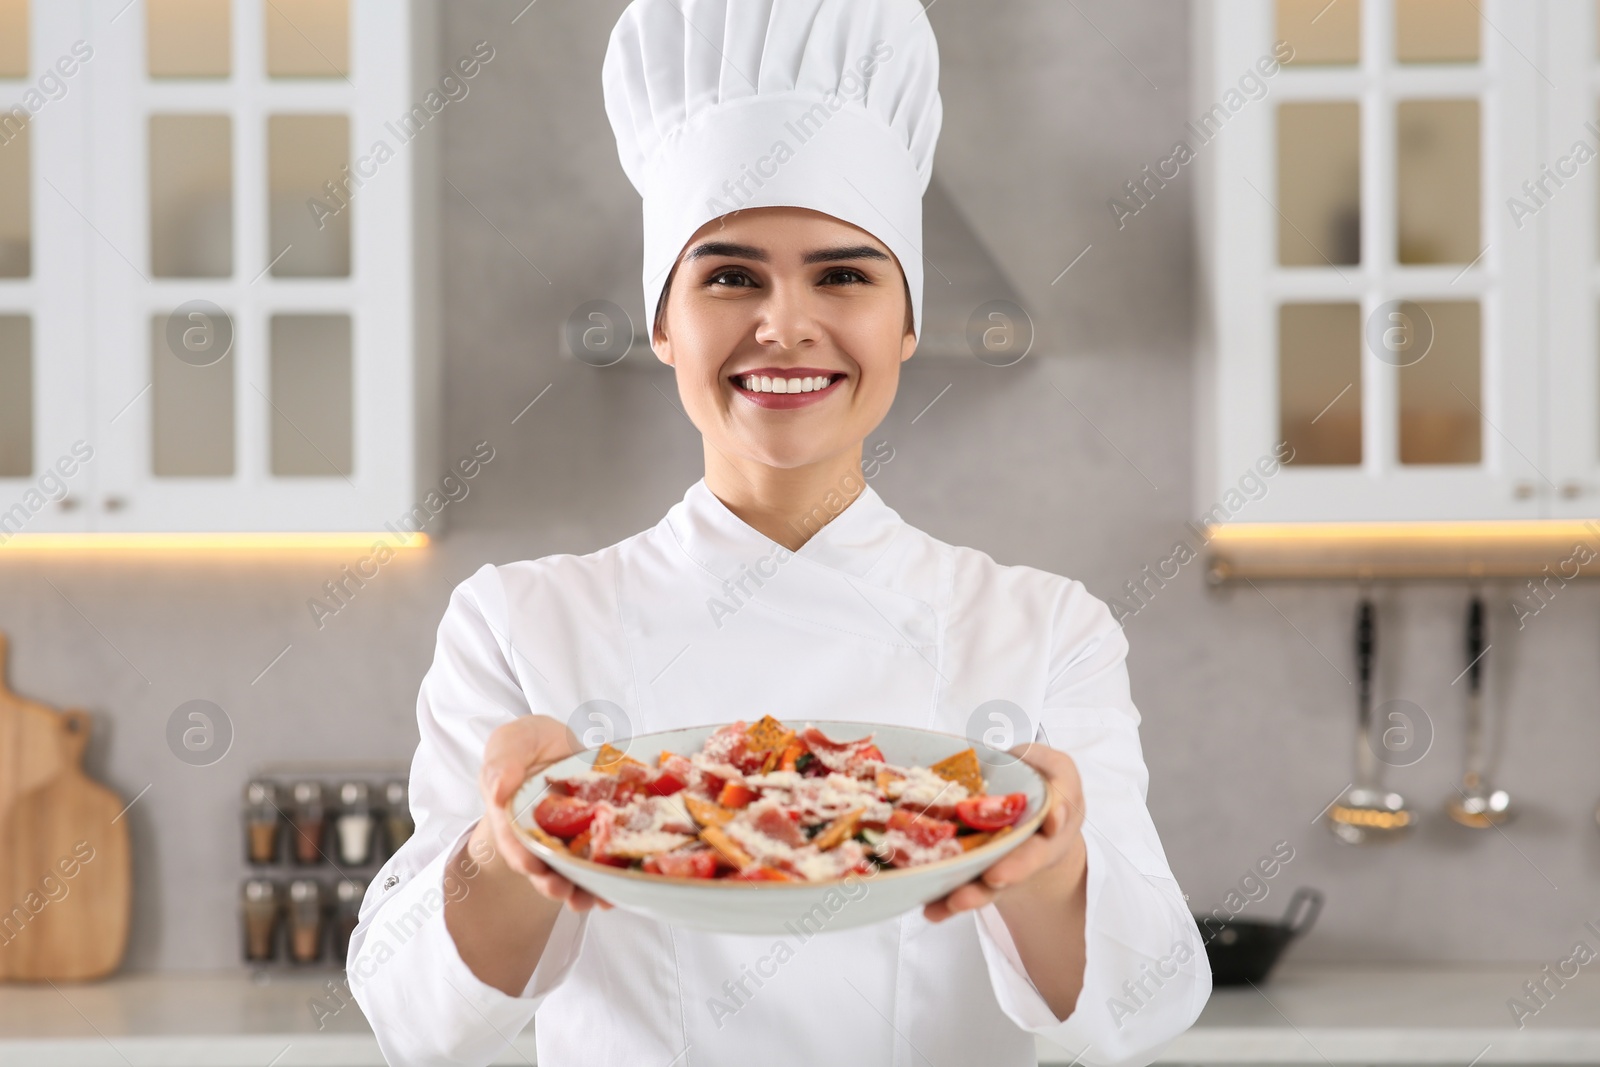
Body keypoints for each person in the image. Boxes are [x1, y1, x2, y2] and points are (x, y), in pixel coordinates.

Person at [347, 1, 1210, 1064]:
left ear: (907, 321)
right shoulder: (517, 621)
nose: (786, 324)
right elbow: (413, 1016)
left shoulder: (1042, 628)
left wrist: (1054, 859)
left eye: (843, 274)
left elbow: (1149, 1002)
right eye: (729, 276)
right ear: (664, 322)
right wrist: (508, 837)